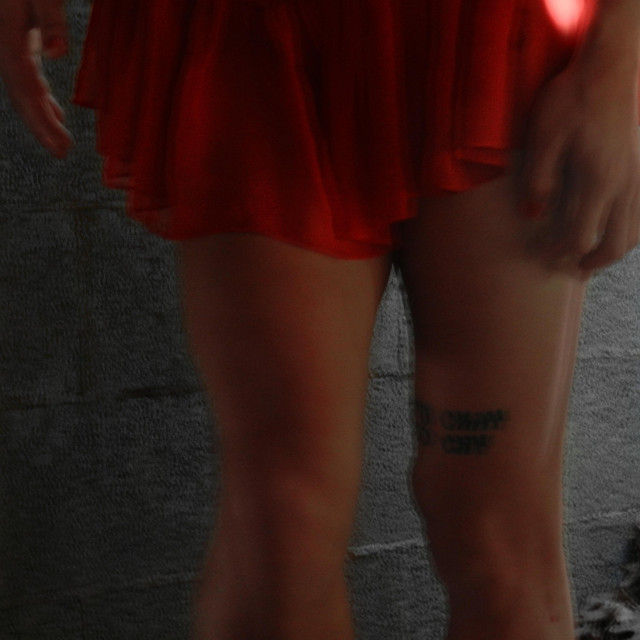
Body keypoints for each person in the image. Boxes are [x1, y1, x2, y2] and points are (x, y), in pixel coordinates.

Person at [1, 1, 639, 639]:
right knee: (285, 530)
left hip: (490, 33)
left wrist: (621, 59)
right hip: (249, 30)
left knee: (497, 528)